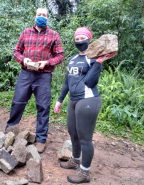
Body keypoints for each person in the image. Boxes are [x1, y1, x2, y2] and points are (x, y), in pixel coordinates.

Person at [54, 27, 115, 183]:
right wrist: (60, 100)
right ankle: (75, 160)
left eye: (83, 38)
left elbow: (90, 81)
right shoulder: (73, 59)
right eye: (77, 38)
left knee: (85, 138)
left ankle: (85, 173)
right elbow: (67, 81)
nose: (80, 41)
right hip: (73, 101)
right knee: (73, 133)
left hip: (88, 100)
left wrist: (99, 61)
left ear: (89, 39)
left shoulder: (93, 58)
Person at [5, 7, 64, 153]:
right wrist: (23, 59)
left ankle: (41, 139)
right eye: (39, 15)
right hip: (26, 74)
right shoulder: (25, 33)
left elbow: (60, 56)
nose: (42, 17)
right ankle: (10, 131)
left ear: (48, 18)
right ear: (35, 17)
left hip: (43, 76)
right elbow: (16, 52)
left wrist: (47, 62)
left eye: (44, 15)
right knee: (17, 102)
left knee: (43, 106)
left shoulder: (53, 35)